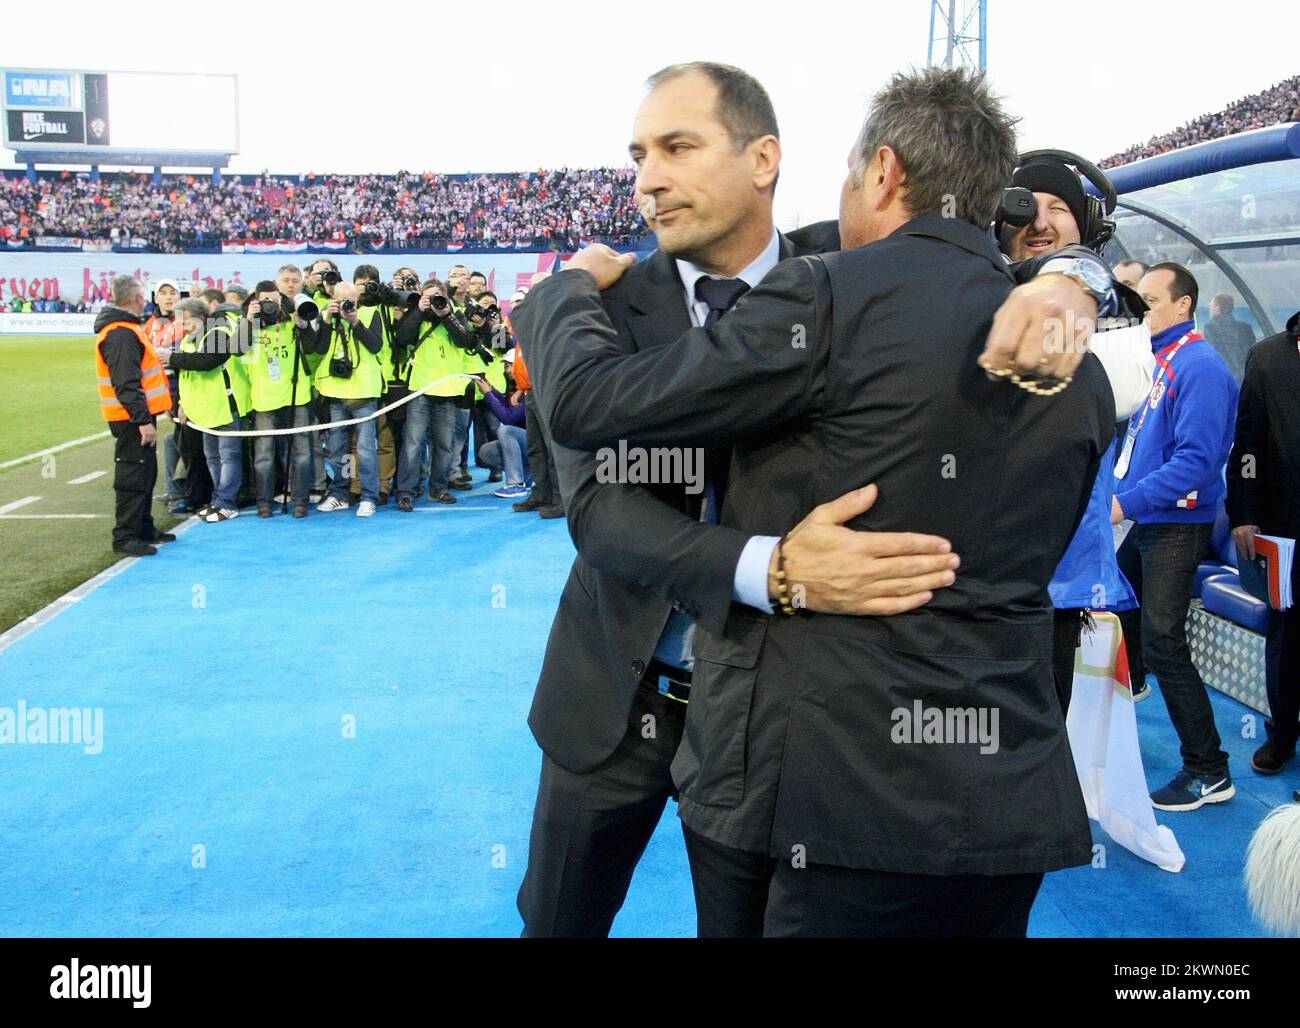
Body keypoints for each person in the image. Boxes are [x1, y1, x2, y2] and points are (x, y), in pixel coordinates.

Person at [520, 65, 1114, 938]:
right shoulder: (599, 305)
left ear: (765, 159)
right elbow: (601, 512)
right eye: (638, 154)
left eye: (678, 147)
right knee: (559, 923)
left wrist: (1072, 280)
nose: (648, 177)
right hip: (621, 697)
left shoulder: (832, 276)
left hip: (779, 737)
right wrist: (771, 570)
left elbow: (982, 245)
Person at [996, 154, 1156, 712]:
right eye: (1024, 208)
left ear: (1086, 223)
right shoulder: (977, 290)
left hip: (1054, 583)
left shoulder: (1112, 307)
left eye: (1058, 208)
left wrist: (1074, 278)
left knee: (1035, 742)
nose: (1039, 222)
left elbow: (1121, 386)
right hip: (966, 574)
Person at [1113, 263, 1240, 811]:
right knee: (1124, 616)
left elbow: (1196, 461)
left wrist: (1126, 501)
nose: (1141, 310)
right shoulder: (1157, 359)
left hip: (1174, 525)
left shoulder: (1201, 367)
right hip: (1147, 519)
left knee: (1165, 641)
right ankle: (1128, 693)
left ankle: (1208, 769)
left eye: (1149, 300)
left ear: (1183, 305)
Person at [1227, 310, 1300, 774]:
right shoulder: (1268, 356)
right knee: (1287, 638)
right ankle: (1282, 736)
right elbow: (1248, 443)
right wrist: (1246, 514)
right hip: (1286, 529)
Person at [94, 275, 176, 556]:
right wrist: (142, 421)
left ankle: (142, 526)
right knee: (132, 474)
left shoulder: (125, 330)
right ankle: (126, 535)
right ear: (138, 299)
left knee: (144, 471)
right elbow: (126, 382)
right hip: (131, 418)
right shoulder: (121, 334)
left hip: (136, 414)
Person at [164, 297, 250, 522]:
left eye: (185, 322)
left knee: (228, 456)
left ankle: (226, 502)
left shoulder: (218, 333)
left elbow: (207, 361)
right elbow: (187, 377)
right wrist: (182, 404)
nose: (182, 327)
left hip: (224, 406)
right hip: (205, 410)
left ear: (199, 318)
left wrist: (172, 358)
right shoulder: (188, 341)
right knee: (212, 457)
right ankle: (218, 500)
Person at [243, 278, 320, 518]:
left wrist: (303, 325)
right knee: (264, 453)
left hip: (296, 394)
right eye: (264, 301)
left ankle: (300, 501)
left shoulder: (292, 319)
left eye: (274, 301)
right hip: (264, 397)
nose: (269, 306)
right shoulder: (249, 324)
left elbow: (312, 347)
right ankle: (264, 502)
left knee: (302, 451)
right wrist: (248, 319)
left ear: (281, 301)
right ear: (256, 301)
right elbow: (236, 349)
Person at [314, 281, 384, 517]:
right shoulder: (326, 316)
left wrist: (354, 321)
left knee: (366, 449)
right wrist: (327, 321)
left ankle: (368, 496)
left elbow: (376, 346)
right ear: (332, 298)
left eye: (351, 301)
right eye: (342, 301)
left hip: (364, 392)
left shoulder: (370, 313)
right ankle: (341, 493)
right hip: (335, 392)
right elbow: (319, 348)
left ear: (357, 300)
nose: (346, 306)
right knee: (337, 449)